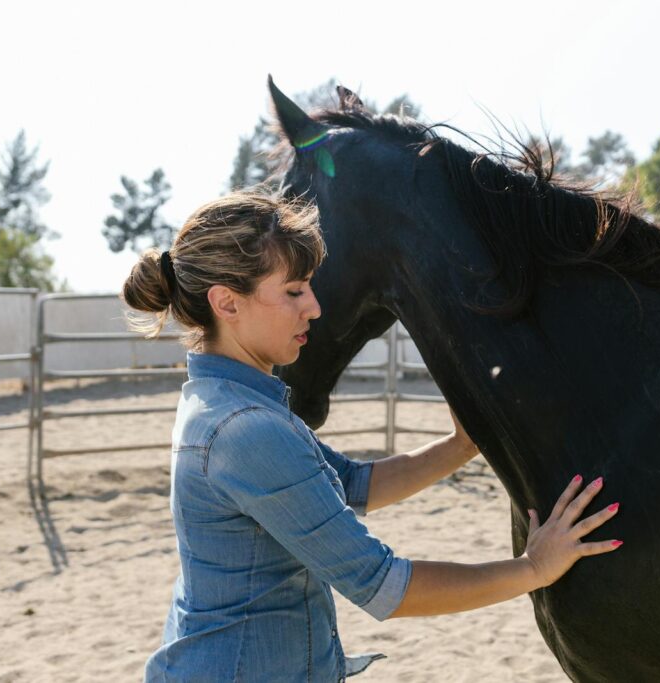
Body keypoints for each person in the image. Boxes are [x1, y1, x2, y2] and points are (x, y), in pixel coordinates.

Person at [122, 188, 623, 682]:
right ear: (226, 303)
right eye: (294, 291)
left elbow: (353, 484)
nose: (314, 308)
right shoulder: (245, 430)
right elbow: (383, 585)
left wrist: (460, 445)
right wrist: (534, 569)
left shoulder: (230, 402)